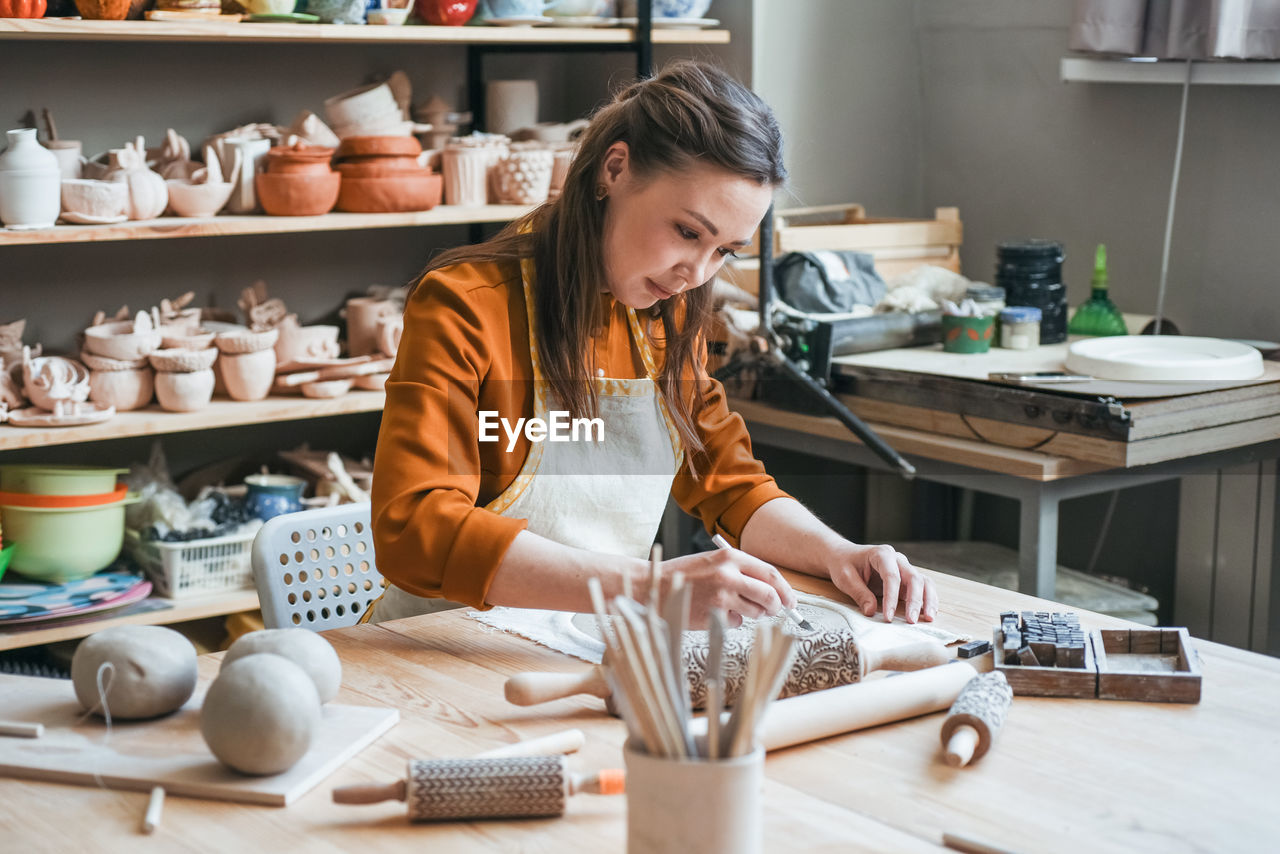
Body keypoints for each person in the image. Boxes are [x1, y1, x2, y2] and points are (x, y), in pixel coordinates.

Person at [368, 60, 938, 628]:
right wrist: (646, 588)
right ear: (615, 169)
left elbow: (728, 481)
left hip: (579, 642)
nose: (696, 271)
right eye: (688, 232)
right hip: (436, 648)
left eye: (725, 251)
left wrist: (837, 553)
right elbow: (416, 529)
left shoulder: (664, 315)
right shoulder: (466, 303)